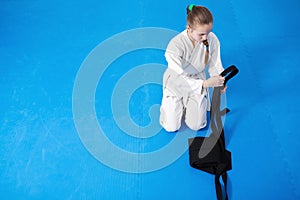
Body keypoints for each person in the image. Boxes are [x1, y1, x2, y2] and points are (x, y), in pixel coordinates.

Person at [159, 4, 226, 132]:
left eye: (208, 32)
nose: (205, 37)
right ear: (189, 28)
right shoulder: (175, 46)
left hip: (197, 77)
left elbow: (215, 63)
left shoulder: (212, 39)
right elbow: (179, 77)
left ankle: (188, 104)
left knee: (197, 125)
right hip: (176, 82)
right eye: (201, 34)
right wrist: (205, 84)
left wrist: (219, 80)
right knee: (171, 127)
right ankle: (170, 104)